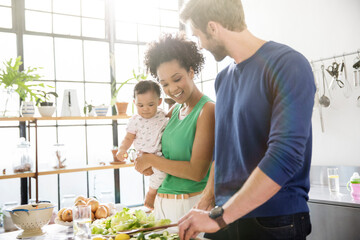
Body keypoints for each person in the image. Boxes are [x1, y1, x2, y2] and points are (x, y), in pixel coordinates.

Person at [178, 0, 316, 239]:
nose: (199, 45)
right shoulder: (223, 79)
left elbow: (285, 156)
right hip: (226, 216)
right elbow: (221, 152)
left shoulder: (288, 64)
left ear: (213, 27)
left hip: (274, 219)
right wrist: (208, 201)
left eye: (197, 36)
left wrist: (221, 216)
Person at [134, 33, 215, 223]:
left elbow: (197, 172)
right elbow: (161, 156)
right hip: (162, 205)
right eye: (165, 84)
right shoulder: (172, 110)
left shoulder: (208, 110)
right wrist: (146, 165)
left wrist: (150, 159)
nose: (172, 89)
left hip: (190, 205)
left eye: (177, 79)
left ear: (191, 71)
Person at [116, 80, 168, 210]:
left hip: (159, 154)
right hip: (143, 154)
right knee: (155, 173)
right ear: (134, 103)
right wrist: (122, 149)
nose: (145, 109)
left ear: (159, 102)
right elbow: (128, 137)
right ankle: (151, 193)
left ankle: (152, 192)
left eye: (151, 104)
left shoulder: (163, 115)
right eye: (140, 105)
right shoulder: (135, 120)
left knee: (161, 173)